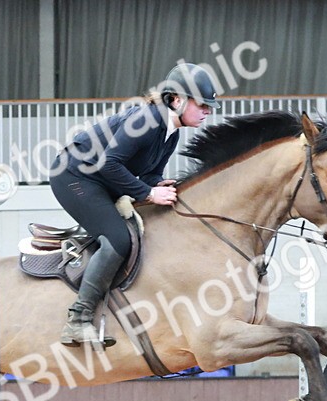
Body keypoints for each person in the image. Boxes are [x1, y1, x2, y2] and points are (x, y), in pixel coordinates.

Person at [50, 62, 219, 348]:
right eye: (202, 104)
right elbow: (110, 164)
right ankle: (77, 320)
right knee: (118, 238)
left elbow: (149, 174)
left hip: (99, 179)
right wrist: (149, 194)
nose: (207, 112)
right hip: (74, 176)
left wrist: (159, 184)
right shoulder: (146, 120)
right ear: (177, 100)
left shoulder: (171, 132)